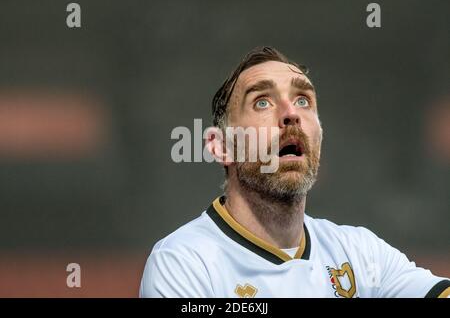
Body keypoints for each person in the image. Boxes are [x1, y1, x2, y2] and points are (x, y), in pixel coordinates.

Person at [139, 46, 449, 298]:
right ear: (222, 147)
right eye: (262, 102)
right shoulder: (182, 264)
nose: (291, 114)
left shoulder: (361, 253)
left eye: (303, 100)